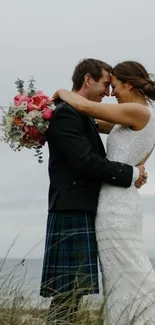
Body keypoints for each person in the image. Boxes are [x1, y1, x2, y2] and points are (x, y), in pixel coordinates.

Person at [40, 59, 146, 324]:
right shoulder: (67, 113)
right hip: (73, 206)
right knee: (67, 292)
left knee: (73, 292)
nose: (109, 93)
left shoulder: (81, 113)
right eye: (105, 84)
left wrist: (137, 166)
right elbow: (84, 161)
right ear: (88, 79)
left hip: (89, 205)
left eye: (114, 86)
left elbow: (128, 134)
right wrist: (131, 173)